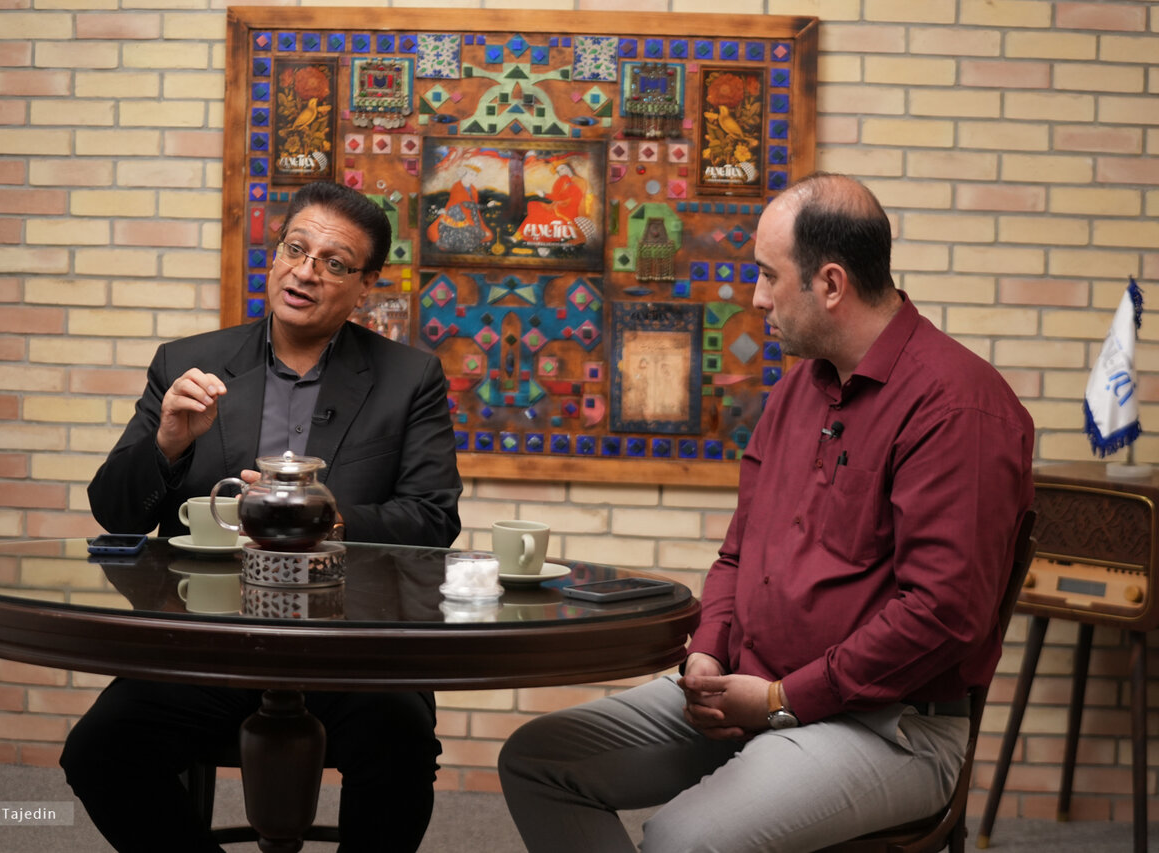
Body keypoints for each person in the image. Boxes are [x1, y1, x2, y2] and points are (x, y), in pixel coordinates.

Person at [499, 173, 1034, 853]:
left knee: (682, 840)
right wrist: (706, 653)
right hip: (750, 690)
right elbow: (738, 554)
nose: (756, 298)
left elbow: (943, 614)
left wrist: (784, 698)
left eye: (767, 276)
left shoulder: (958, 407)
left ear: (831, 284)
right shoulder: (796, 391)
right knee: (538, 762)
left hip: (890, 725)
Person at [63, 181, 462, 853]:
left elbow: (431, 520)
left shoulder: (409, 377)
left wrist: (323, 519)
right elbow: (117, 513)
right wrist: (167, 443)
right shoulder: (188, 364)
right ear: (275, 256)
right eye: (295, 249)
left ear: (366, 284)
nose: (306, 272)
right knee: (101, 750)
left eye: (334, 263)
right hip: (209, 643)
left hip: (355, 648)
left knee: (400, 743)